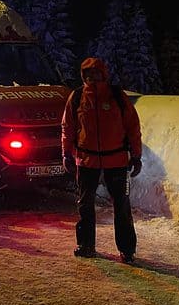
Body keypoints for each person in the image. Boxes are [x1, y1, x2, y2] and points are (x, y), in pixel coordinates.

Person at [61, 57, 142, 263]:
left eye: (96, 73)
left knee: (121, 205)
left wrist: (136, 155)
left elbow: (133, 126)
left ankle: (127, 249)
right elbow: (67, 128)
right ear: (83, 75)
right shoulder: (77, 97)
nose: (92, 76)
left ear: (104, 74)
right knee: (85, 204)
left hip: (116, 160)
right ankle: (86, 245)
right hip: (86, 160)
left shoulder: (116, 96)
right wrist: (66, 153)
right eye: (88, 73)